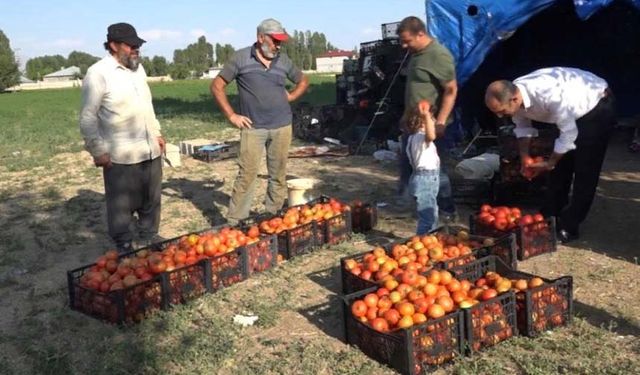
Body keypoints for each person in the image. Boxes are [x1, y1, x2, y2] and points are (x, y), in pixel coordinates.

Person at [485, 67, 617, 243]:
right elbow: (523, 127)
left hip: (596, 106)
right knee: (560, 168)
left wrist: (550, 162)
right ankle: (550, 214)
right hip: (569, 112)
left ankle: (570, 226)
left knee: (585, 169)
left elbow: (568, 134)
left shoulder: (550, 96)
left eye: (502, 111)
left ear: (514, 99)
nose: (500, 115)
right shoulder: (516, 96)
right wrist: (525, 159)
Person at [211, 18, 309, 223]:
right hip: (253, 128)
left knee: (278, 174)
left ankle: (271, 215)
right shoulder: (240, 58)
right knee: (247, 175)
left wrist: (291, 96)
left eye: (280, 41)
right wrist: (231, 115)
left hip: (282, 126)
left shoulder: (283, 61)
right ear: (260, 37)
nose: (278, 45)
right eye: (275, 40)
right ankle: (236, 221)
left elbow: (303, 80)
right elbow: (217, 86)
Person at [79, 22, 165, 253]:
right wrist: (97, 150)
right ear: (113, 45)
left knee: (151, 199)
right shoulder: (98, 73)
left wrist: (156, 133)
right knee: (121, 205)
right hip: (120, 154)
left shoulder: (139, 70)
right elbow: (88, 117)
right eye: (131, 46)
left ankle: (149, 235)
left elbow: (147, 106)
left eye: (138, 45)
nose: (136, 49)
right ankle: (124, 242)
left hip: (149, 149)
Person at [396, 16, 458, 222]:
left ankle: (447, 210)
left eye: (407, 41)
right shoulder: (416, 53)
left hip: (430, 125)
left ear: (420, 34)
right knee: (409, 164)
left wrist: (440, 121)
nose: (404, 45)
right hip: (413, 123)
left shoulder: (438, 55)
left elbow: (451, 89)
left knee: (434, 170)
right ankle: (415, 205)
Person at [405, 101, 440, 234]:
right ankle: (423, 240)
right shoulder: (421, 138)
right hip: (426, 180)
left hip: (423, 178)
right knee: (427, 218)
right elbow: (431, 135)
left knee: (432, 211)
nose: (435, 120)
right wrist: (426, 116)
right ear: (423, 122)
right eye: (432, 118)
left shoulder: (412, 138)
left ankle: (432, 238)